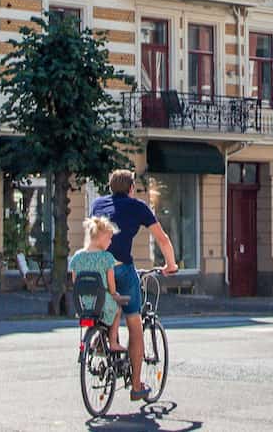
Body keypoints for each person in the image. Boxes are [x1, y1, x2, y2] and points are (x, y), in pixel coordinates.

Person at [89, 169, 178, 403]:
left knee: (109, 302)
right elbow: (162, 238)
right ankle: (137, 385)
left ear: (110, 188)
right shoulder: (137, 206)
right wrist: (170, 264)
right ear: (131, 189)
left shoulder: (97, 204)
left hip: (95, 267)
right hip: (121, 267)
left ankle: (102, 337)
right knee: (135, 323)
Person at [66, 216, 125, 347]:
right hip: (102, 302)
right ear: (102, 238)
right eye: (109, 239)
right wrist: (115, 294)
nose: (110, 242)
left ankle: (95, 341)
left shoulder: (77, 257)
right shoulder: (106, 258)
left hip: (84, 304)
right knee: (117, 307)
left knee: (96, 315)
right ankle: (113, 342)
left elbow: (76, 281)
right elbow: (111, 283)